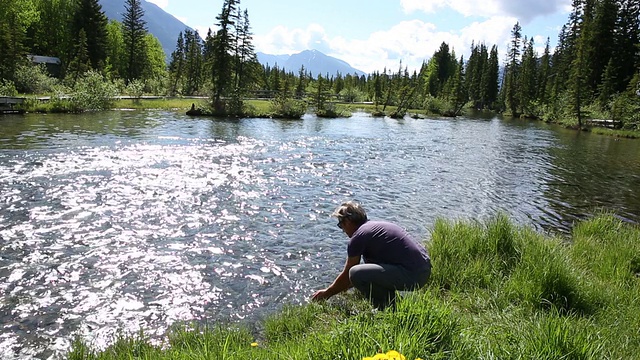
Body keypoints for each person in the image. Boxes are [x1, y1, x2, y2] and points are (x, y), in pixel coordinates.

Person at [311, 201, 431, 310]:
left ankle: (388, 308)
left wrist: (326, 293)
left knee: (355, 273)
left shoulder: (358, 237)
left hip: (414, 275)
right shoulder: (374, 227)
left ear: (347, 221)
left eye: (340, 225)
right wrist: (343, 288)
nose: (342, 229)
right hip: (423, 269)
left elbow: (349, 274)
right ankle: (395, 304)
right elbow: (371, 270)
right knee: (363, 271)